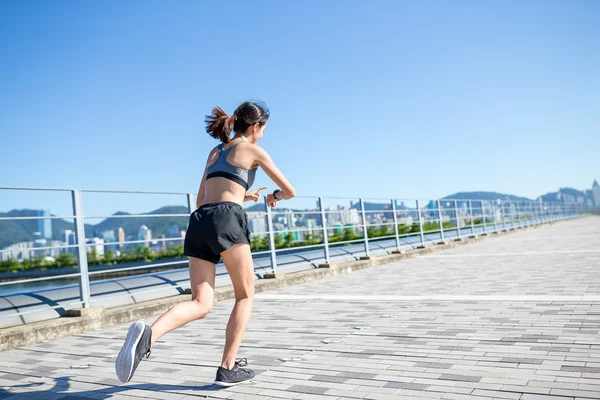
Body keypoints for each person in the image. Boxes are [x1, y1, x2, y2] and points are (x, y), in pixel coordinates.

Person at [115, 100, 296, 386]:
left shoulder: (215, 152)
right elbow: (290, 191)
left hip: (199, 221)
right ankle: (227, 368)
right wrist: (273, 196)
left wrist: (240, 197)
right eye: (263, 129)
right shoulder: (253, 150)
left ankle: (148, 336)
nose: (263, 135)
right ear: (256, 126)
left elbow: (203, 200)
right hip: (226, 219)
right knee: (245, 295)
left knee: (200, 302)